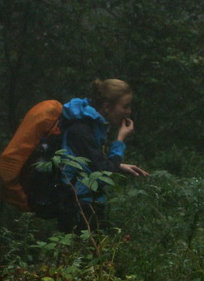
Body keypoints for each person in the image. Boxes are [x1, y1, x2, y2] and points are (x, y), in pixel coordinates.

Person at [57, 78, 148, 232]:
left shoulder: (92, 125)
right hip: (78, 207)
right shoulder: (82, 130)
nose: (129, 112)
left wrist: (119, 166)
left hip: (87, 204)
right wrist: (120, 139)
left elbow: (92, 163)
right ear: (107, 106)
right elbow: (104, 173)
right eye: (125, 107)